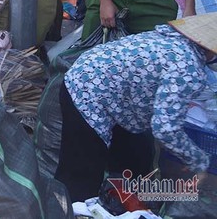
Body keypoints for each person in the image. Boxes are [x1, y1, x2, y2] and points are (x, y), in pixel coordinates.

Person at [54, 12, 216, 201]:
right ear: (209, 49)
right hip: (87, 94)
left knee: (136, 157)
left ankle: (124, 204)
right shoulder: (188, 67)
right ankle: (69, 208)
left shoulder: (169, 38)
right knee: (82, 174)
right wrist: (198, 161)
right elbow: (165, 129)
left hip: (98, 85)